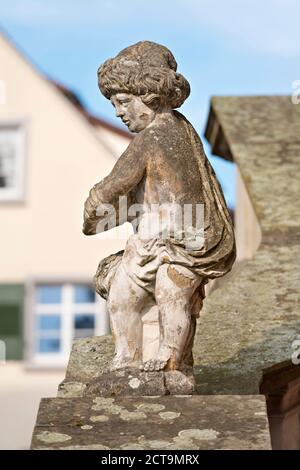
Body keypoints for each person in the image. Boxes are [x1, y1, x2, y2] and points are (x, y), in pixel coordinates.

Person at [83, 41, 236, 372]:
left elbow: (117, 184)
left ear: (148, 96)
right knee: (125, 294)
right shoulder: (184, 131)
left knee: (169, 293)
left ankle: (166, 357)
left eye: (123, 102)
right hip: (156, 241)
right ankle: (132, 358)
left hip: (181, 244)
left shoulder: (151, 138)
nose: (117, 112)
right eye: (114, 104)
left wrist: (94, 206)